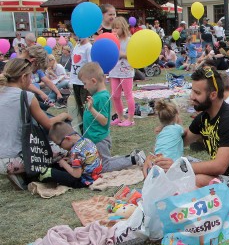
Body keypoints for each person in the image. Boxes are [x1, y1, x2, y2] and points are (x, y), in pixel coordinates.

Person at [154, 67, 229, 187]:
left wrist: (178, 167)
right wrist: (158, 157)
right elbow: (180, 141)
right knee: (181, 162)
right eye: (192, 91)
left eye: (197, 93)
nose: (192, 97)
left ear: (213, 94)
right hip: (222, 176)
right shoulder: (204, 117)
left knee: (193, 177)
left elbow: (219, 166)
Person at [0, 58, 72, 189]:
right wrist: (63, 115)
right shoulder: (25, 96)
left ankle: (18, 173)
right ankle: (25, 172)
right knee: (65, 148)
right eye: (30, 77)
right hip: (16, 157)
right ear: (23, 77)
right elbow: (49, 124)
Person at [79, 62, 144, 172]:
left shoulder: (103, 97)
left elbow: (104, 121)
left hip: (99, 138)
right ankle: (132, 156)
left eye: (85, 83)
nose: (84, 87)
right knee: (99, 162)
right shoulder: (97, 95)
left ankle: (135, 159)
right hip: (94, 136)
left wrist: (91, 109)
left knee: (105, 166)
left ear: (94, 81)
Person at [41, 122, 102, 188]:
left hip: (86, 180)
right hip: (96, 174)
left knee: (66, 174)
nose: (60, 147)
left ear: (67, 138)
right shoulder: (86, 140)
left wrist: (62, 161)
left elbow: (76, 175)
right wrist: (70, 160)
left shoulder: (75, 152)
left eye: (59, 144)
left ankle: (49, 173)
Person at [142, 99, 184, 176]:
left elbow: (155, 149)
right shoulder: (178, 128)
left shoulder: (160, 134)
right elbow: (185, 133)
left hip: (155, 166)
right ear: (176, 115)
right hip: (170, 167)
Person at [109, 17, 136, 127]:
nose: (114, 30)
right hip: (114, 70)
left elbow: (133, 55)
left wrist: (122, 55)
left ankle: (130, 118)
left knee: (128, 94)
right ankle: (120, 117)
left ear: (123, 28)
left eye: (117, 28)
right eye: (113, 28)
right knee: (115, 95)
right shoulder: (112, 40)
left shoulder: (129, 40)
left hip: (126, 70)